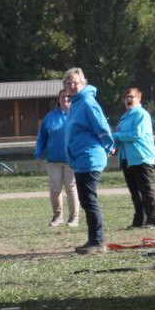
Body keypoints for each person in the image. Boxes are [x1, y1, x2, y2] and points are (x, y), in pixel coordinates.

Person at [63, 67, 114, 254]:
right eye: (68, 84)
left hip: (90, 157)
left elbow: (101, 126)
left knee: (89, 200)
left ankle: (97, 241)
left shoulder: (87, 102)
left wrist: (109, 145)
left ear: (83, 82)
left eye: (75, 82)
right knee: (86, 199)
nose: (71, 86)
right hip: (81, 159)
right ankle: (94, 239)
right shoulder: (76, 103)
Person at [113, 87, 155, 229]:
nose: (129, 99)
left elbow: (136, 134)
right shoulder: (125, 117)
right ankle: (140, 220)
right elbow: (119, 137)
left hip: (141, 157)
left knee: (146, 189)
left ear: (139, 99)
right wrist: (113, 145)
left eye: (132, 97)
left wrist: (115, 136)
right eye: (126, 97)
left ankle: (154, 220)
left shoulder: (141, 114)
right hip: (127, 158)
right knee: (135, 191)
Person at [34, 89, 78, 227]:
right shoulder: (50, 117)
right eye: (63, 96)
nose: (65, 99)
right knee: (55, 190)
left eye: (68, 96)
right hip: (53, 160)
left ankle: (74, 218)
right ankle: (57, 216)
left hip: (72, 159)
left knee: (71, 189)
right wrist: (38, 154)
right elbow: (41, 138)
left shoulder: (77, 115)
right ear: (58, 100)